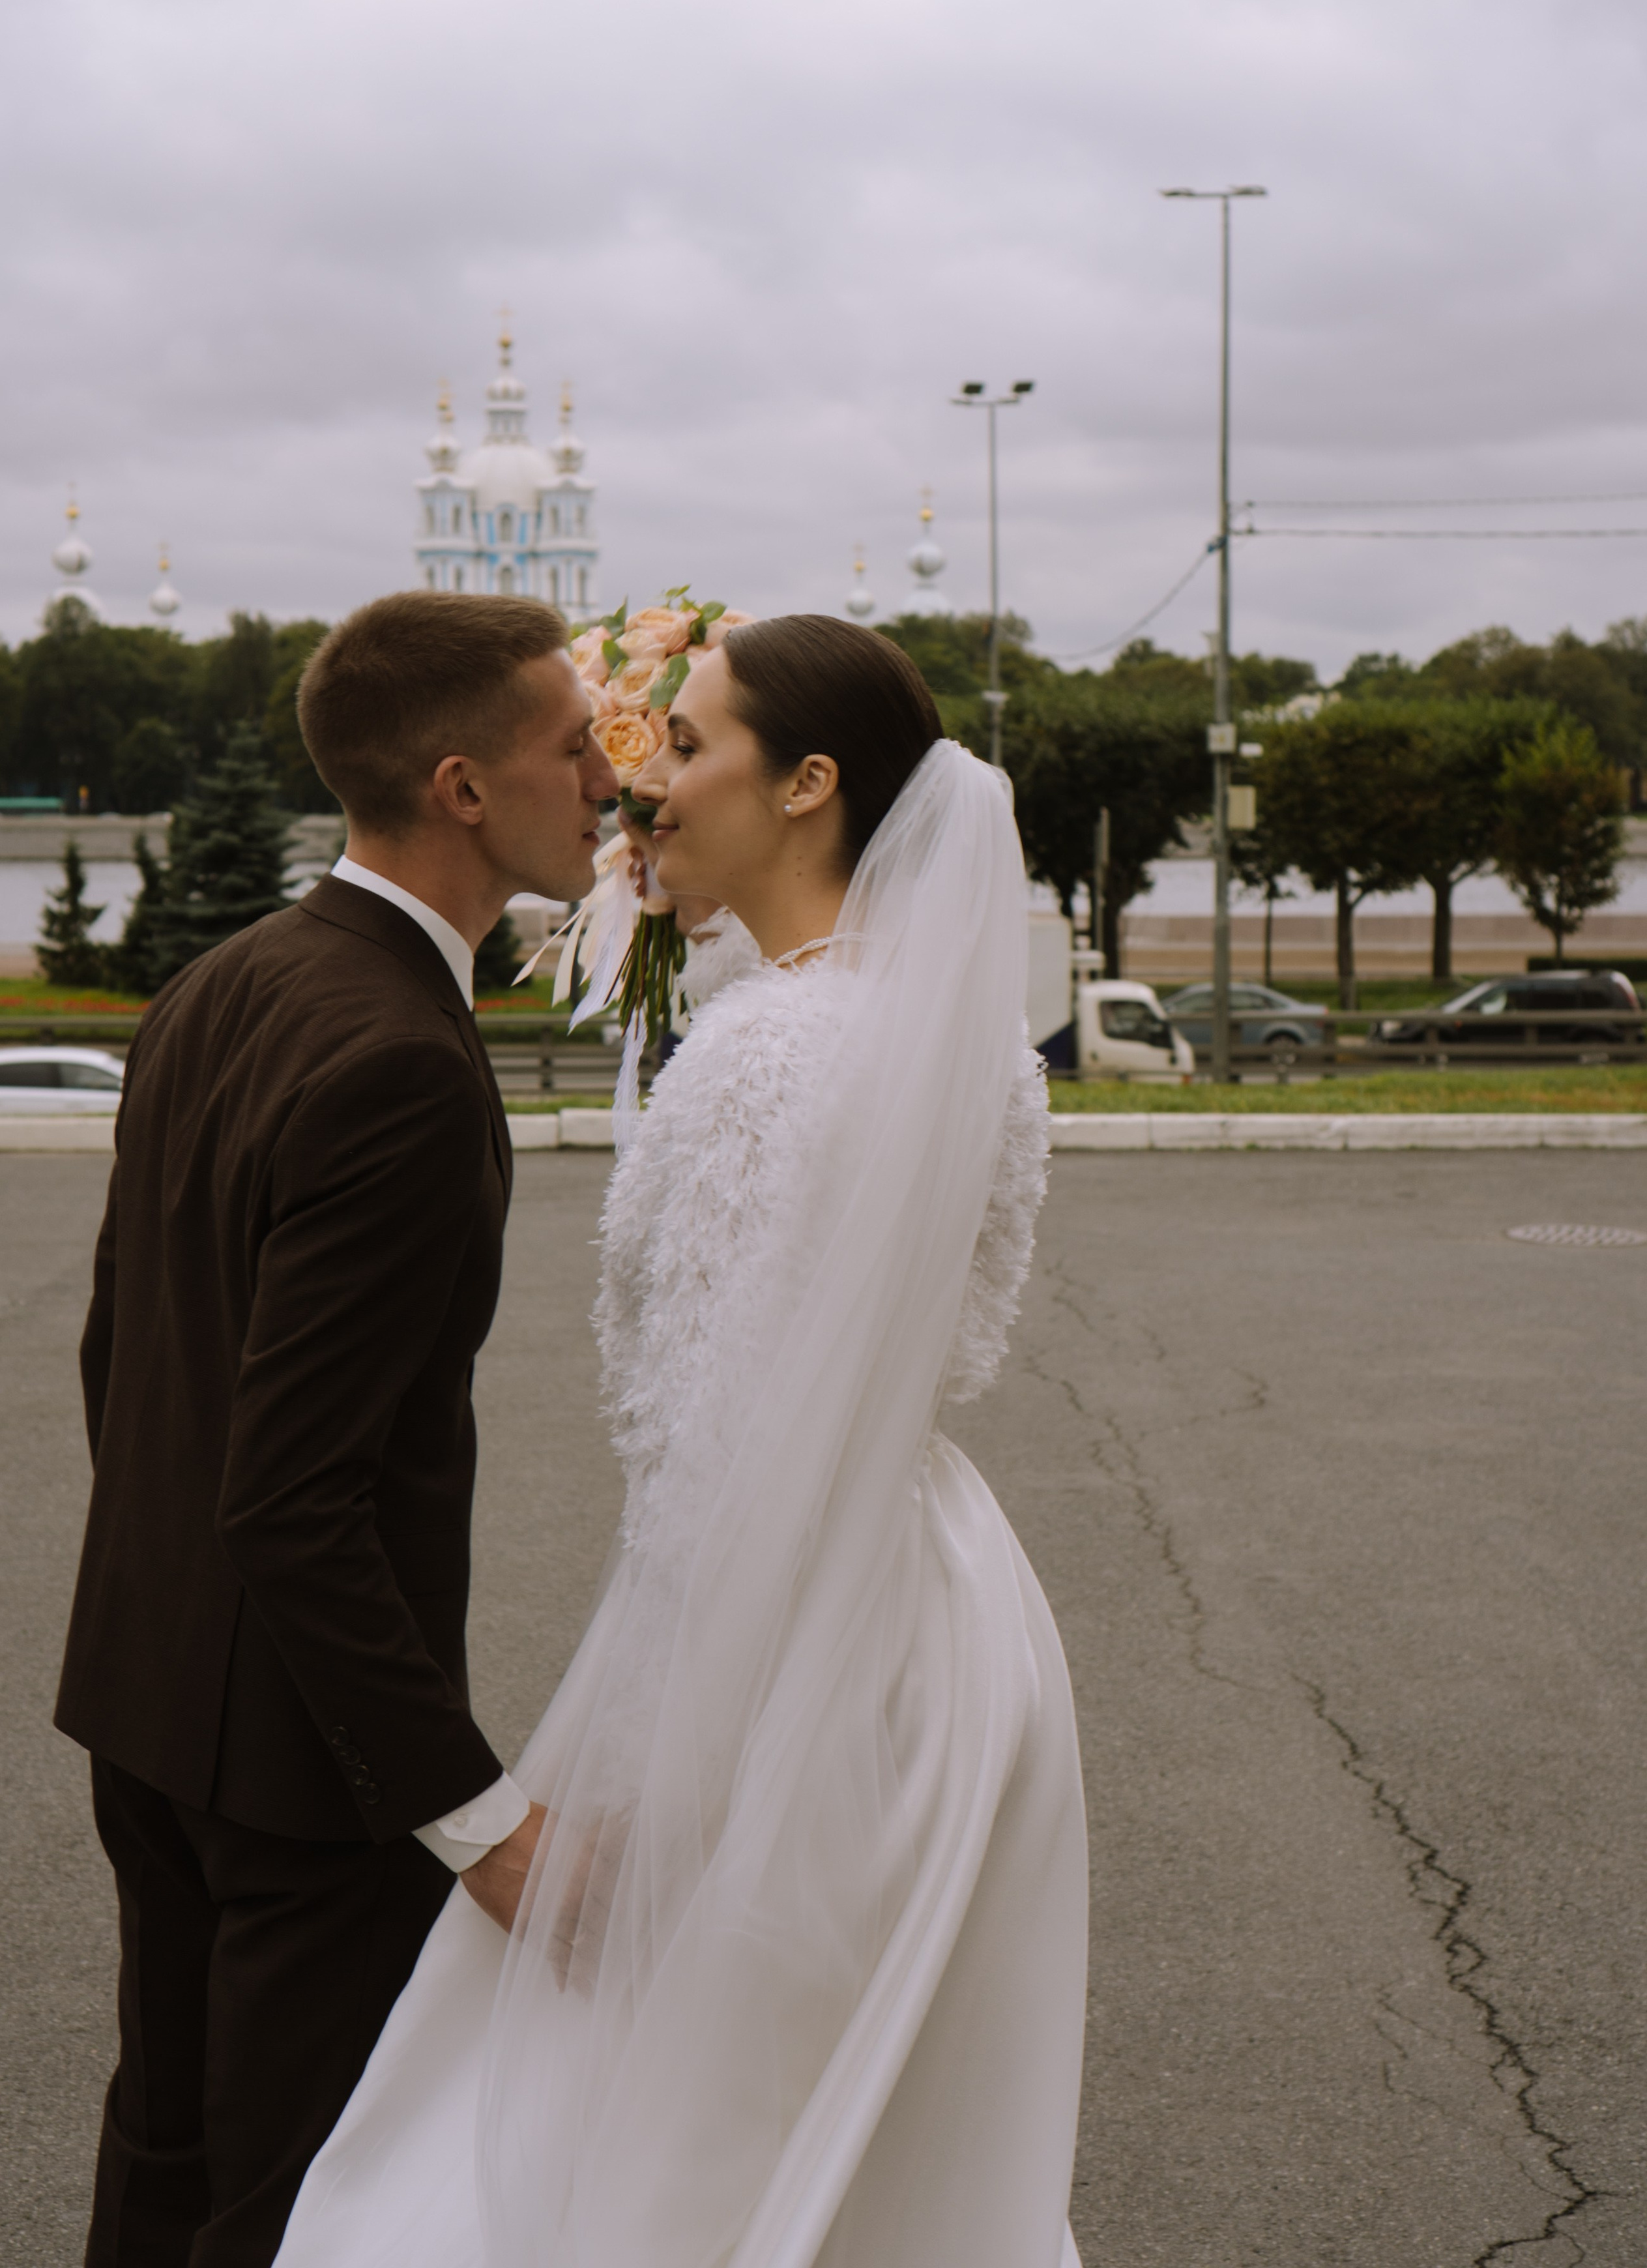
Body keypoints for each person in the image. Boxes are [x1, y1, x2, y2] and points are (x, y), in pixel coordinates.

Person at [276, 614, 1088, 2268]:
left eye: (688, 746)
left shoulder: (763, 1054)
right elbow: (969, 1341)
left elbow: (709, 1442)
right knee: (869, 2120)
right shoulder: (970, 1048)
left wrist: (660, 1740)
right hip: (948, 1619)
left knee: (639, 2121)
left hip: (770, 1640)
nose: (641, 791)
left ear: (807, 787)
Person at [55, 590, 617, 2267]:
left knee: (164, 2157)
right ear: (461, 787)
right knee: (295, 2205)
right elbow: (295, 1494)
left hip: (147, 1701)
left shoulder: (224, 981)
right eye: (572, 744)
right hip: (304, 1773)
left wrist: (180, 1639)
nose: (607, 778)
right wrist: (476, 1821)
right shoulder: (402, 1063)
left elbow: (123, 1365)